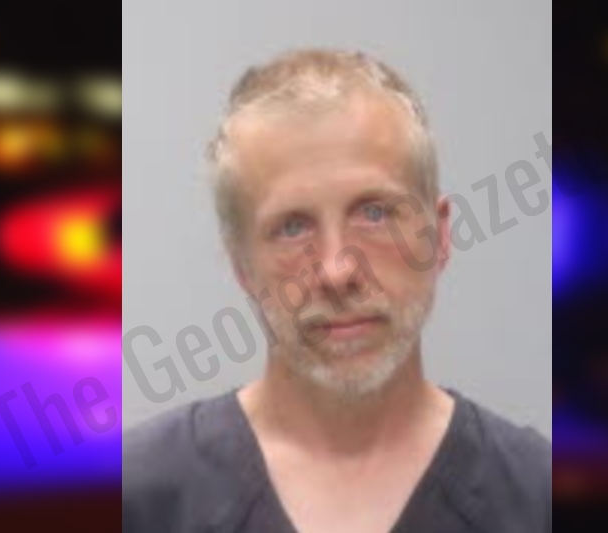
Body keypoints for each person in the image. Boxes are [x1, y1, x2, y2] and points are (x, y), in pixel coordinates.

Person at [122, 48, 551, 533]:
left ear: (439, 236)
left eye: (374, 213)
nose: (336, 270)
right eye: (292, 227)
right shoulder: (136, 498)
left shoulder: (537, 497)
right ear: (242, 265)